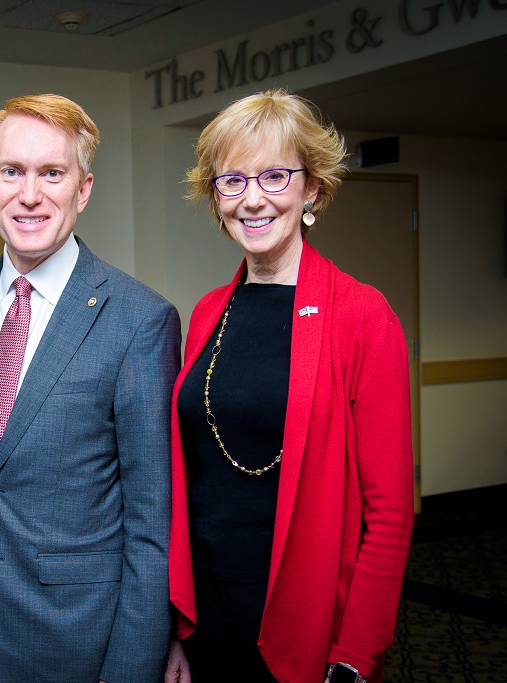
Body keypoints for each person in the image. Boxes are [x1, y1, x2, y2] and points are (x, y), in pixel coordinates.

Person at [0, 93, 181, 683]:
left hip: (78, 644)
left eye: (52, 173)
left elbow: (151, 524)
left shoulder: (139, 320)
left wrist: (132, 670)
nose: (30, 194)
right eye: (11, 171)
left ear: (83, 189)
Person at [167, 89, 414, 683]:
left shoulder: (362, 315)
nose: (253, 199)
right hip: (204, 611)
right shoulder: (206, 314)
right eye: (232, 181)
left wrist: (357, 652)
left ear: (313, 189)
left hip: (298, 615)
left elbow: (390, 513)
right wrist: (172, 628)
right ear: (216, 199)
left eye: (275, 176)